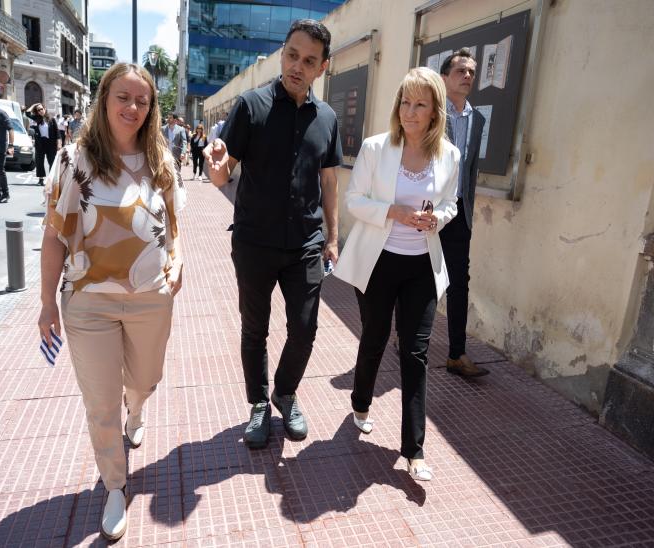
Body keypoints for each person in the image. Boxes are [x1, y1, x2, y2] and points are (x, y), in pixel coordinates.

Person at [37, 62, 184, 541]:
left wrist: (178, 259)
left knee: (144, 380)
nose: (132, 108)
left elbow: (173, 226)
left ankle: (135, 408)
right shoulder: (73, 159)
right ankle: (115, 485)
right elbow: (54, 236)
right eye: (123, 97)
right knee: (101, 403)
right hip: (89, 302)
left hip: (151, 299)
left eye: (142, 100)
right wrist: (46, 304)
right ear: (104, 99)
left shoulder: (160, 158)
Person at [203, 19, 341, 449]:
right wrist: (215, 167)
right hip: (255, 242)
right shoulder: (251, 106)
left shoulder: (327, 118)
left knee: (305, 328)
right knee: (255, 328)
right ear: (283, 54)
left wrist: (333, 238)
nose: (298, 66)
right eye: (292, 55)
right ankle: (259, 404)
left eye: (309, 60)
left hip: (306, 243)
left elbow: (329, 181)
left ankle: (285, 392)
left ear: (322, 67)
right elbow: (223, 171)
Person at [334, 67, 460, 482]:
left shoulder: (449, 156)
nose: (409, 111)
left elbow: (451, 203)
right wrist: (393, 211)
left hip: (422, 265)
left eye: (420, 104)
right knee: (374, 337)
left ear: (435, 111)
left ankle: (414, 450)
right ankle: (360, 402)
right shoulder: (376, 148)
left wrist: (436, 219)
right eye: (405, 102)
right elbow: (354, 200)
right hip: (379, 262)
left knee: (415, 352)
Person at [437, 48, 489, 377]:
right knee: (420, 278)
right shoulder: (432, 113)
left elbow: (471, 171)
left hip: (459, 215)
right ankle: (404, 334)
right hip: (430, 213)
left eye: (471, 71)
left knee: (459, 283)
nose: (467, 75)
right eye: (460, 71)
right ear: (445, 78)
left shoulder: (478, 119)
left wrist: (468, 212)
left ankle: (457, 354)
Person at [26, 103, 61, 186]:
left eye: (41, 109)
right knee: (39, 162)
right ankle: (41, 180)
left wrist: (59, 143)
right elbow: (27, 113)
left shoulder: (52, 119)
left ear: (44, 109)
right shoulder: (37, 119)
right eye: (38, 110)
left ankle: (51, 180)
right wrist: (34, 105)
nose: (40, 111)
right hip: (40, 143)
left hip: (51, 144)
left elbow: (57, 132)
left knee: (52, 162)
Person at [161, 113, 187, 180]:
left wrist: (183, 152)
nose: (168, 119)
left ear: (175, 120)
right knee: (166, 174)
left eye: (170, 118)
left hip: (177, 155)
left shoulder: (181, 129)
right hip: (165, 155)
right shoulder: (162, 129)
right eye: (168, 117)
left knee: (177, 174)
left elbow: (184, 142)